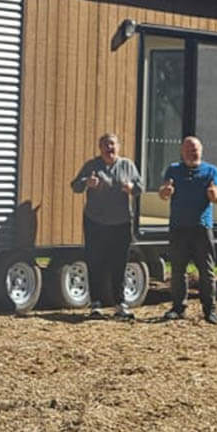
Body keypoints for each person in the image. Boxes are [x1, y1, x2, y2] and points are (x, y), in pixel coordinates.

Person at [71, 132, 142, 319]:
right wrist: (86, 182)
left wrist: (131, 188)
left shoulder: (127, 165)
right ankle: (96, 304)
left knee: (119, 264)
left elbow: (140, 187)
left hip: (121, 223)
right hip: (95, 222)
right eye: (105, 145)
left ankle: (120, 304)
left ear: (118, 147)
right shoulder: (91, 165)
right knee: (95, 262)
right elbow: (75, 186)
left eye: (112, 144)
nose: (109, 148)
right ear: (100, 148)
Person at [158, 136, 217, 324]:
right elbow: (163, 193)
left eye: (194, 149)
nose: (191, 153)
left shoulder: (211, 171)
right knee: (178, 270)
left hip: (201, 228)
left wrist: (213, 194)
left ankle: (210, 310)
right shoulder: (173, 170)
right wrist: (165, 192)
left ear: (201, 151)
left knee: (207, 271)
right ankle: (178, 308)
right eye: (187, 149)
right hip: (178, 228)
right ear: (182, 151)